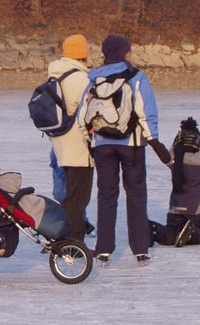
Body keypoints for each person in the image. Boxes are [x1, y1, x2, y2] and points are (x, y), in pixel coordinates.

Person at [78, 34, 170, 266]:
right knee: (136, 195)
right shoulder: (136, 76)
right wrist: (155, 142)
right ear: (124, 52)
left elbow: (82, 115)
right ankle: (140, 249)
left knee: (106, 195)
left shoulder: (94, 78)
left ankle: (104, 249)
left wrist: (90, 142)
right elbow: (145, 111)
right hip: (131, 144)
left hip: (102, 144)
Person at [47, 34, 94, 243]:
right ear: (83, 54)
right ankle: (71, 242)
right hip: (79, 147)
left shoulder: (54, 75)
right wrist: (92, 143)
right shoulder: (82, 79)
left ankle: (64, 238)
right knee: (79, 197)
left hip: (59, 143)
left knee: (69, 194)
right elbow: (88, 115)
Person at [150, 117, 200, 247]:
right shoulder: (199, 161)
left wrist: (176, 143)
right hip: (195, 210)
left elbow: (167, 155)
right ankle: (191, 231)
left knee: (170, 235)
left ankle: (152, 228)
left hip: (175, 210)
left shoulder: (173, 160)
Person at [49, 148, 95, 236]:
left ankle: (81, 220)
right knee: (60, 191)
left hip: (74, 147)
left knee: (73, 189)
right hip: (60, 143)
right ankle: (76, 220)